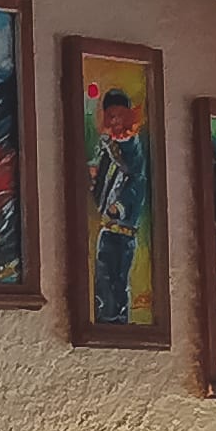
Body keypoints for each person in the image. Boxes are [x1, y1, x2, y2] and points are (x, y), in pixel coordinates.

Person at [88, 83, 149, 331]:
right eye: (110, 116)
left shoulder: (131, 146)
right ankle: (105, 320)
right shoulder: (106, 146)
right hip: (107, 228)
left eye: (118, 116)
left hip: (123, 229)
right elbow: (102, 178)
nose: (114, 121)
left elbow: (137, 181)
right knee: (103, 280)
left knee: (118, 281)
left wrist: (120, 207)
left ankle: (117, 324)